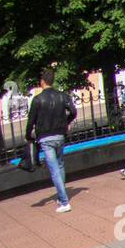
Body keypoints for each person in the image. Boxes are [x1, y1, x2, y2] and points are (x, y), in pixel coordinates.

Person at [24, 68, 77, 213]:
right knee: (60, 166)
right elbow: (73, 112)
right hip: (60, 136)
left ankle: (64, 202)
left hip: (45, 138)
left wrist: (28, 135)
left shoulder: (37, 100)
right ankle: (61, 197)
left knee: (54, 170)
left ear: (42, 82)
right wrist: (65, 123)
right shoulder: (62, 96)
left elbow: (30, 121)